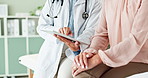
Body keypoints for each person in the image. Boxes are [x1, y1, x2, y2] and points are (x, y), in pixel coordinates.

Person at [72, 0, 148, 78]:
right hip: (113, 57)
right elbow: (101, 34)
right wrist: (91, 52)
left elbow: (135, 41)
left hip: (140, 60)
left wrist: (98, 58)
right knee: (81, 74)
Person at [33, 0, 102, 78]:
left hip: (76, 51)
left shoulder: (94, 3)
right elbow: (41, 27)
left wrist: (78, 43)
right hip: (53, 48)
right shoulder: (52, 2)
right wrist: (58, 30)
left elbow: (92, 30)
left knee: (65, 75)